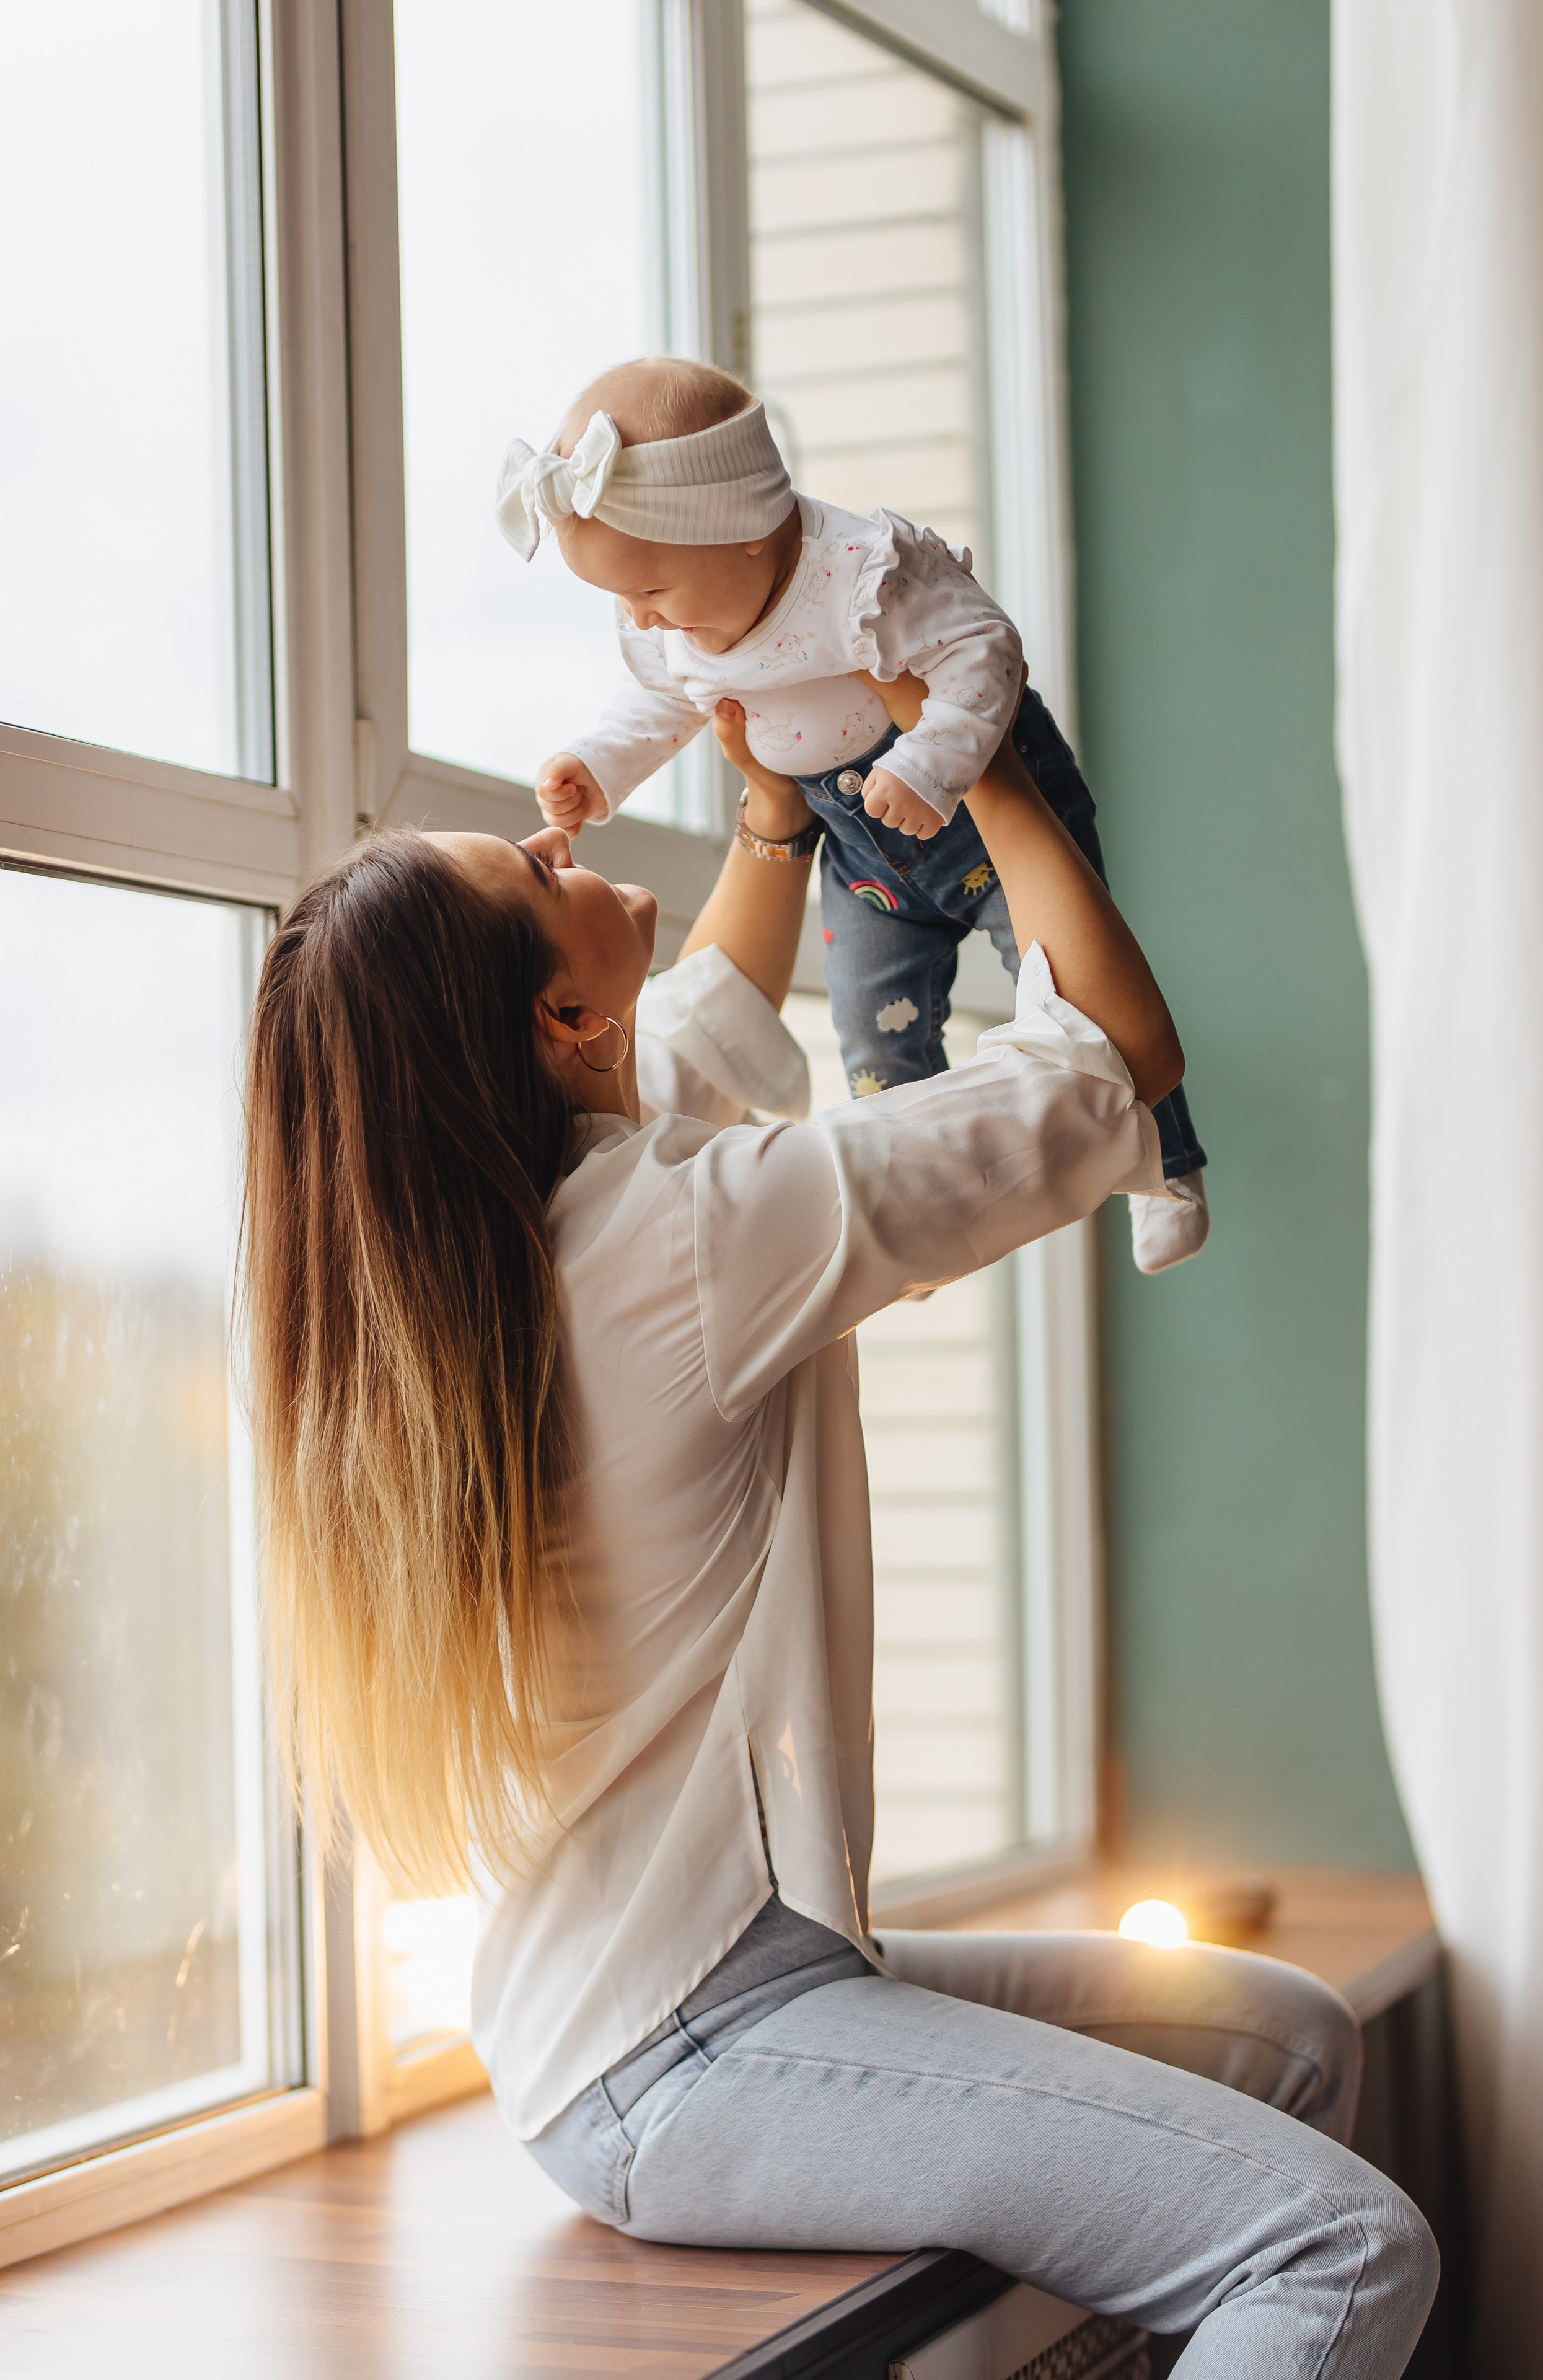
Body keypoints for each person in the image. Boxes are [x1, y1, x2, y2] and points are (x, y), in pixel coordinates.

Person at [239, 703, 1435, 2376]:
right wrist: (988, 761)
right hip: (692, 2045)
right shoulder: (675, 1246)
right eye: (527, 868)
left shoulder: (536, 1248)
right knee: (1343, 2247)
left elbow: (708, 1039)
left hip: (689, 1992)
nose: (553, 838)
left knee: (1290, 2039)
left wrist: (776, 820)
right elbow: (1114, 1066)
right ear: (561, 1016)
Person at [496, 354, 1208, 1275]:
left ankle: (1168, 1167)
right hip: (857, 840)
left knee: (1068, 983)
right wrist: (599, 767)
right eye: (626, 604)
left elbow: (985, 650)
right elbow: (664, 705)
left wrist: (933, 758)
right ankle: (932, 1213)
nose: (646, 622)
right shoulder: (676, 626)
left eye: (652, 592)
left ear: (745, 530)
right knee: (873, 1026)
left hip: (965, 794)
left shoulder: (863, 575)